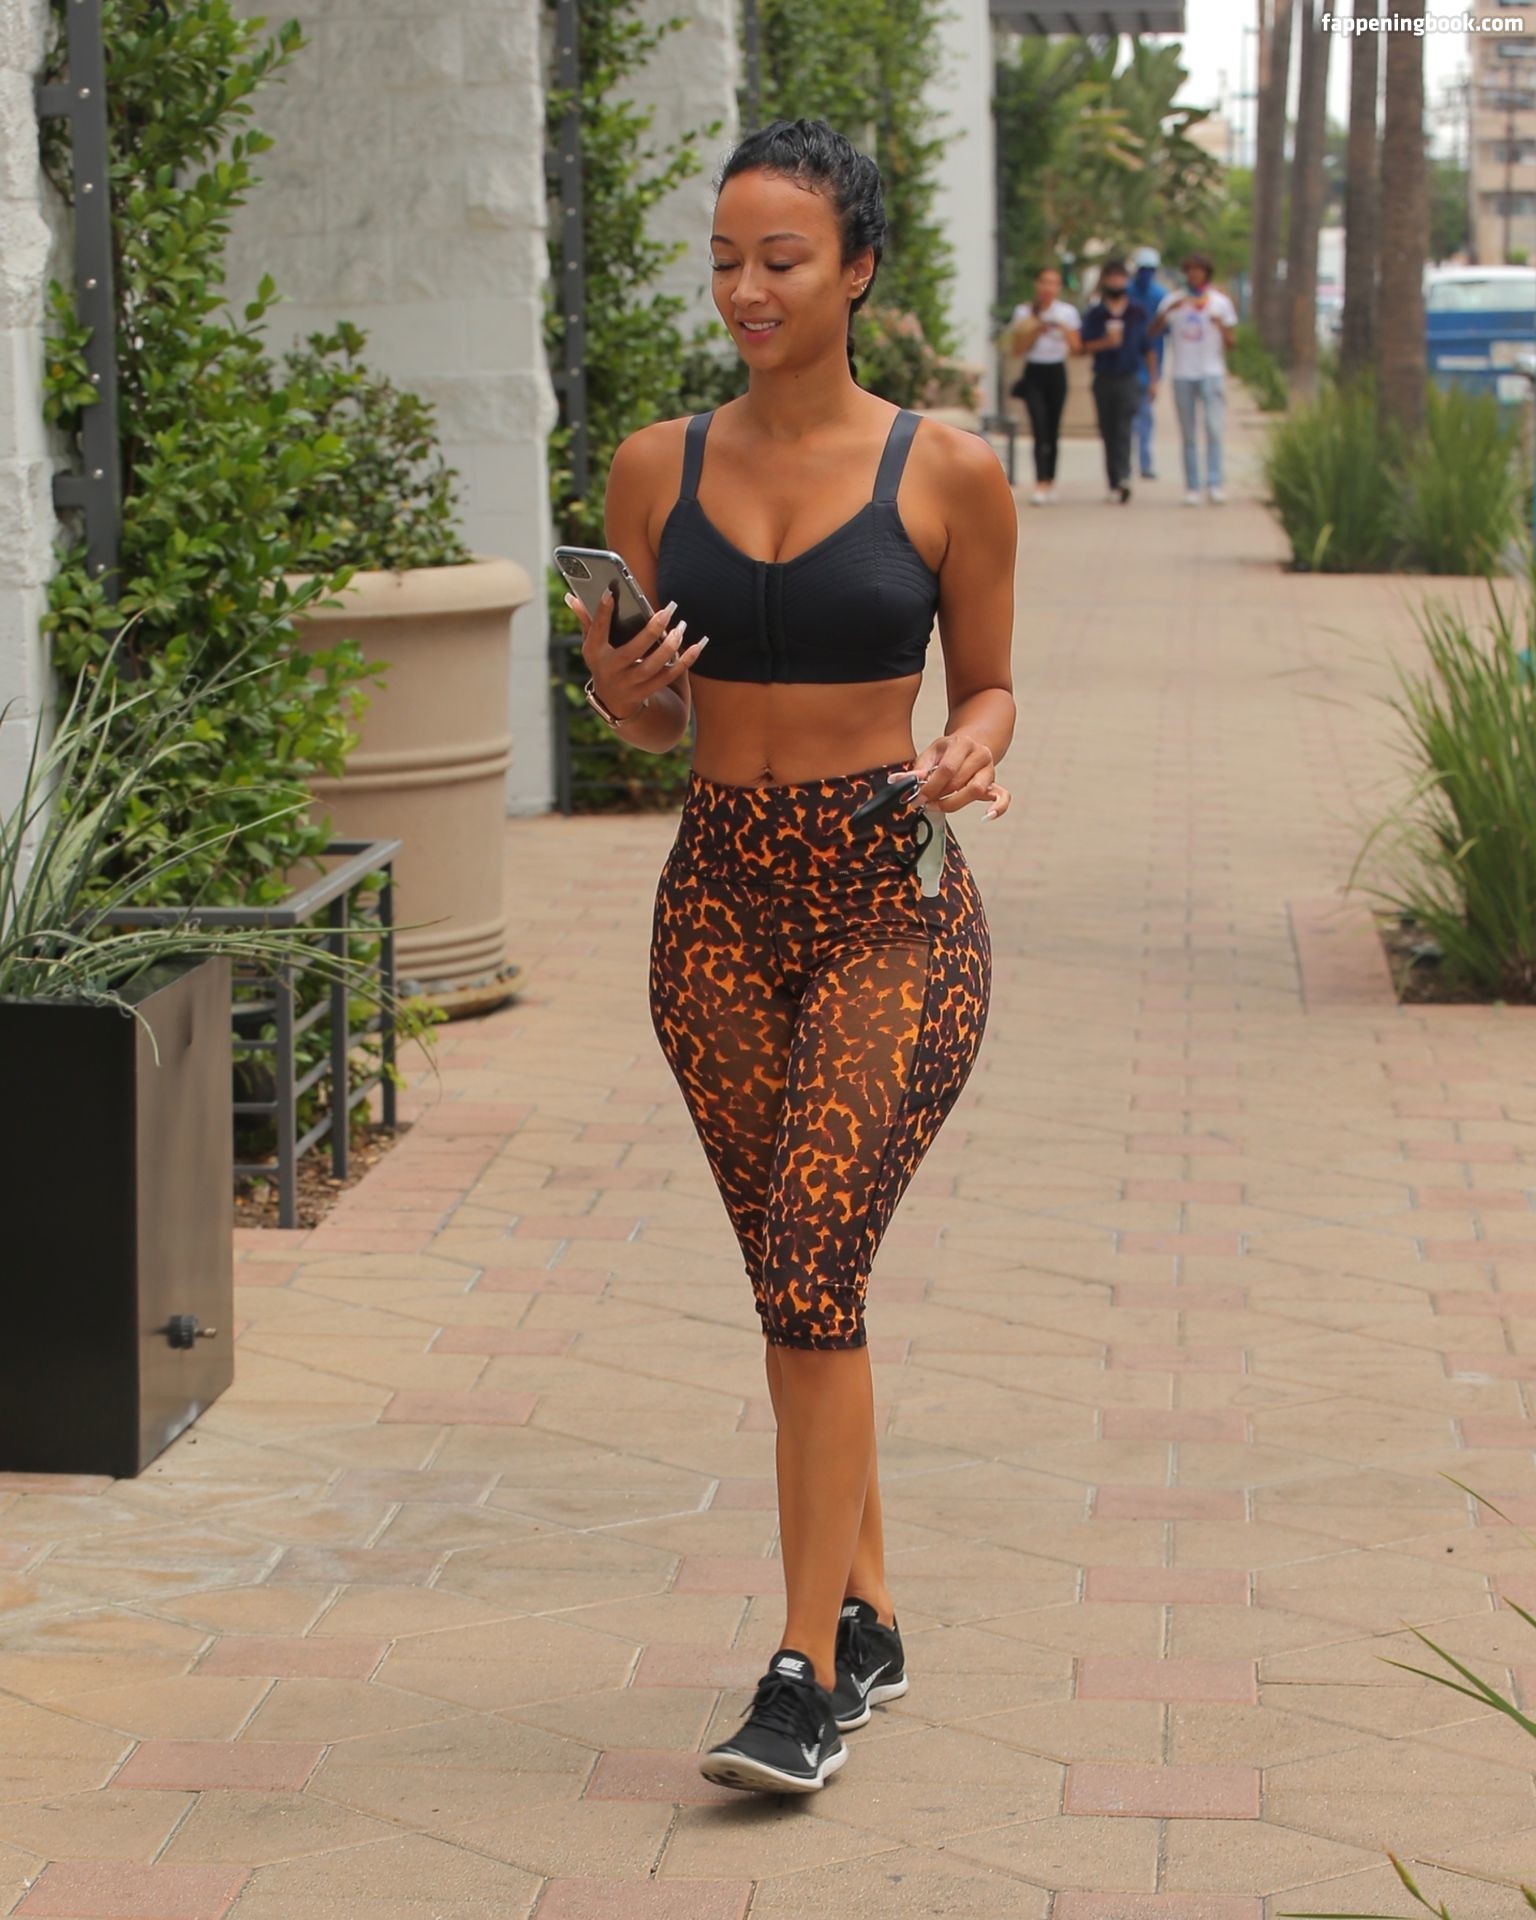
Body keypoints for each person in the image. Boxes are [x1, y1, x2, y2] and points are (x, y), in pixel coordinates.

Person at [564, 117, 1016, 1798]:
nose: (747, 290)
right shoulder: (653, 467)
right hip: (715, 907)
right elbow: (645, 716)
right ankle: (872, 1613)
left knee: (815, 1259)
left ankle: (802, 1673)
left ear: (857, 270)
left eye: (782, 260)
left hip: (890, 898)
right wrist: (620, 696)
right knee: (796, 1279)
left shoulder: (946, 472)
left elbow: (992, 686)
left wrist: (970, 745)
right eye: (726, 262)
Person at [1150, 250, 1237, 506]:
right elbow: (1152, 333)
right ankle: (1192, 486)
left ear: (1206, 274)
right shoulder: (1173, 300)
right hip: (1182, 374)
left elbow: (1232, 343)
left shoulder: (1219, 302)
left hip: (1212, 372)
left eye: (1198, 271)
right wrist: (1168, 312)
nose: (1194, 275)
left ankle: (1215, 483)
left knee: (1214, 429)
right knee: (1188, 433)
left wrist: (1221, 326)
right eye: (1190, 271)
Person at [1079, 257, 1156, 504]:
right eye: (1111, 277)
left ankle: (1124, 477)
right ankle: (1113, 480)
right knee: (1108, 430)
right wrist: (1106, 342)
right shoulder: (1096, 314)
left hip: (1129, 376)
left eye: (1120, 277)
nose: (1115, 282)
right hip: (1103, 377)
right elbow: (1083, 347)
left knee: (1124, 427)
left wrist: (1153, 380)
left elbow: (1148, 347)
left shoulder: (1137, 312)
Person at [1007, 266, 1081, 506]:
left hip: (1056, 371)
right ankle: (1040, 480)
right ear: (1037, 285)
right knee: (1038, 426)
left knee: (1053, 427)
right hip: (1034, 372)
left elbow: (1077, 348)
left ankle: (1050, 479)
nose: (1048, 288)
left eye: (1053, 283)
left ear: (1059, 287)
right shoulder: (1024, 312)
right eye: (1044, 282)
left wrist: (1062, 328)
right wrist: (1035, 329)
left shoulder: (1066, 312)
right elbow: (1017, 349)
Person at [1130, 246, 1167, 481]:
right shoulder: (1126, 292)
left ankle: (1144, 462)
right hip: (1127, 361)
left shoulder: (1160, 295)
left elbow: (1166, 329)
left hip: (1151, 360)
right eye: (1143, 269)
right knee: (1129, 415)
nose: (1146, 274)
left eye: (1150, 269)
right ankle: (1126, 463)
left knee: (1145, 413)